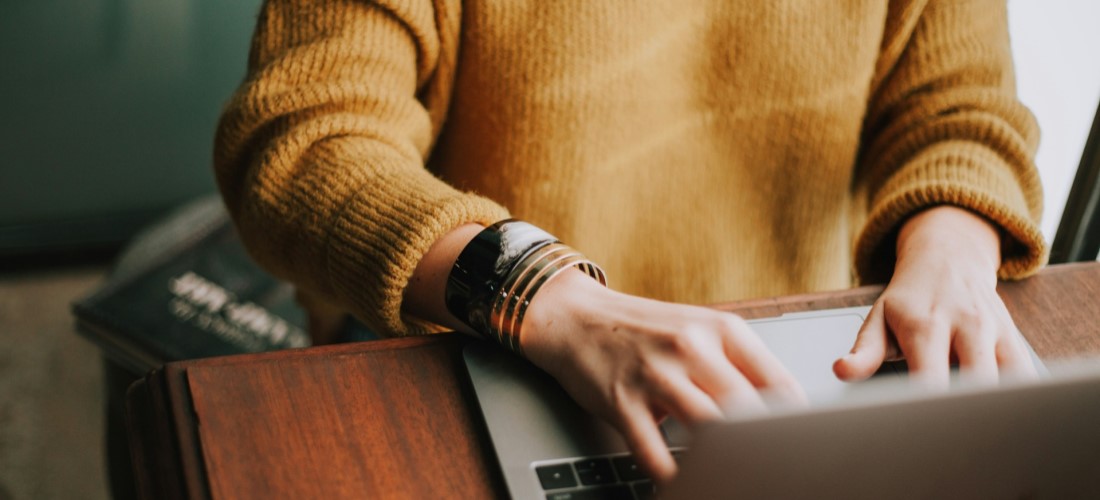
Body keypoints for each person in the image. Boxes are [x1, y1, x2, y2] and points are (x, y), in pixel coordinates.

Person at [214, 0, 1046, 482]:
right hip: (474, 352)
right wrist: (547, 296)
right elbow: (303, 141)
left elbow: (960, 110)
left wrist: (954, 247)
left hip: (783, 374)